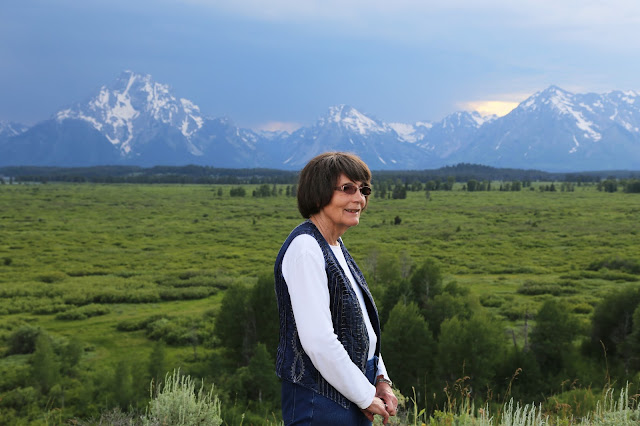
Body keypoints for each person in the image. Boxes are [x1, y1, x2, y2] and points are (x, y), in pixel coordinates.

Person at [274, 152, 398, 425]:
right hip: (319, 402)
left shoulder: (334, 245)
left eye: (364, 190)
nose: (359, 199)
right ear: (319, 194)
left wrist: (380, 379)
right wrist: (365, 395)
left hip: (351, 390)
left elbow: (359, 326)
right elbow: (318, 341)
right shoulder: (306, 248)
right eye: (347, 188)